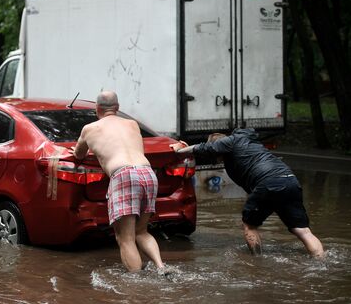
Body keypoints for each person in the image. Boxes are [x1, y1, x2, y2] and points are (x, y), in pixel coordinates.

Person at [171, 128, 324, 258]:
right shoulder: (249, 144)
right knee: (303, 230)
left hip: (268, 183)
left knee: (249, 225)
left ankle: (257, 262)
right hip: (290, 180)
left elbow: (204, 148)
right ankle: (320, 262)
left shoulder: (232, 141)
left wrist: (180, 151)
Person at [72, 90, 165, 273]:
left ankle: (135, 284)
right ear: (118, 108)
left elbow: (78, 155)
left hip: (123, 175)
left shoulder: (89, 129)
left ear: (97, 108)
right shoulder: (132, 124)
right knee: (142, 231)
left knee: (125, 238)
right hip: (147, 173)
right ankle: (161, 267)